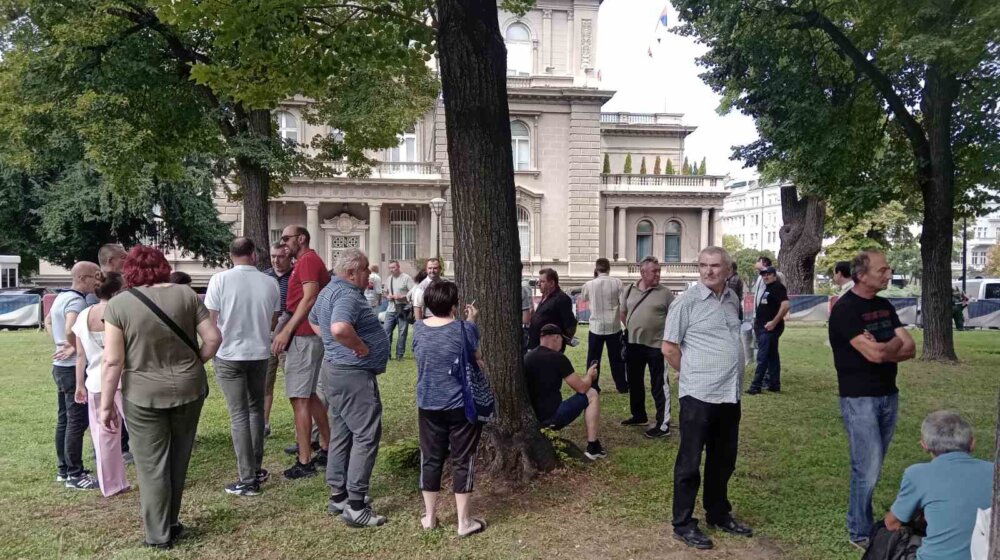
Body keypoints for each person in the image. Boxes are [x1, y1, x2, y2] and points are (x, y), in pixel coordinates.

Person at [100, 245, 222, 549]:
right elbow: (213, 338)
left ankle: (157, 535)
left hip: (143, 393)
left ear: (129, 272)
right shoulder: (186, 295)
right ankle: (171, 521)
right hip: (189, 387)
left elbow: (113, 361)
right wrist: (195, 363)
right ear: (163, 266)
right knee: (178, 459)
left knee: (151, 464)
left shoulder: (118, 305)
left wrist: (105, 407)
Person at [663, 246, 752, 550]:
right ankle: (683, 523)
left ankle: (718, 512)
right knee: (690, 462)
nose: (708, 271)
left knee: (723, 458)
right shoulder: (685, 303)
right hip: (699, 395)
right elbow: (670, 348)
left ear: (728, 269)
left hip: (729, 394)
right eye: (703, 265)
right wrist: (690, 375)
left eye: (715, 266)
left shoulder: (732, 299)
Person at [828, 249, 916, 550]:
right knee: (867, 466)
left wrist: (884, 347)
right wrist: (890, 346)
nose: (888, 274)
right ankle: (859, 530)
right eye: (883, 270)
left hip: (888, 395)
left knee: (873, 464)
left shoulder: (884, 305)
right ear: (861, 275)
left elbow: (911, 347)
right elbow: (877, 354)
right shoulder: (845, 310)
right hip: (859, 398)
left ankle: (862, 522)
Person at [308, 248, 390, 527]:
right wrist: (359, 347)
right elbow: (339, 328)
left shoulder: (328, 290)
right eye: (366, 269)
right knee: (366, 434)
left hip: (335, 371)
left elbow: (314, 321)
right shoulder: (346, 295)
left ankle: (338, 495)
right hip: (353, 374)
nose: (370, 273)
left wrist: (334, 347)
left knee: (342, 431)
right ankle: (356, 505)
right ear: (351, 272)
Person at [205, 237, 281, 496]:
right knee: (255, 410)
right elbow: (273, 320)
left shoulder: (220, 280)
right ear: (254, 255)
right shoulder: (270, 282)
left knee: (239, 415)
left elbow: (211, 320)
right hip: (259, 351)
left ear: (231, 255)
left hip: (229, 353)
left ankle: (247, 478)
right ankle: (255, 468)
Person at [412, 281, 487, 537]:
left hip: (428, 403)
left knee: (431, 457)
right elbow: (476, 356)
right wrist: (472, 320)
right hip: (460, 405)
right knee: (462, 458)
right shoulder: (465, 329)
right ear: (454, 304)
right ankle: (463, 522)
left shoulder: (418, 329)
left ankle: (430, 516)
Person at [883, 411, 992, 560]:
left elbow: (892, 524)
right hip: (988, 554)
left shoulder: (917, 474)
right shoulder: (994, 471)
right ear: (972, 443)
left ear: (924, 445)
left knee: (883, 534)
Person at [271, 225, 331, 480]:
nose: (283, 243)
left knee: (299, 398)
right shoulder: (307, 261)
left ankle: (305, 460)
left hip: (305, 336)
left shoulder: (307, 261)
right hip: (308, 335)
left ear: (301, 239)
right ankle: (328, 448)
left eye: (286, 238)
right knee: (309, 395)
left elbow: (309, 298)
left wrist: (286, 331)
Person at [72, 271, 130, 497]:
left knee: (103, 435)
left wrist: (79, 384)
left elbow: (80, 355)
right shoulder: (120, 312)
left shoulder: (83, 314)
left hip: (95, 381)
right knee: (139, 431)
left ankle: (112, 484)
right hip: (123, 379)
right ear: (117, 291)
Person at [51, 261, 101, 490]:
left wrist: (59, 342)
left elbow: (50, 322)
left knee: (64, 420)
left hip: (59, 367)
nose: (97, 281)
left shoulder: (60, 297)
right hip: (72, 368)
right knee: (76, 422)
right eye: (95, 277)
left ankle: (64, 470)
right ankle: (75, 474)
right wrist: (73, 346)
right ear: (82, 278)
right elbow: (72, 328)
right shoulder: (77, 300)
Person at [524, 324, 606, 460]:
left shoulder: (527, 357)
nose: (562, 346)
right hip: (553, 417)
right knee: (592, 393)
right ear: (556, 337)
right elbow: (582, 388)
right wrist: (589, 376)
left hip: (532, 419)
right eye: (562, 341)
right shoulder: (558, 358)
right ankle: (593, 446)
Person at [620, 256, 675, 438]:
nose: (658, 274)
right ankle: (639, 415)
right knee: (634, 382)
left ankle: (663, 424)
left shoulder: (665, 294)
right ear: (643, 272)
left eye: (659, 270)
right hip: (634, 344)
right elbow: (623, 313)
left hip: (657, 346)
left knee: (659, 384)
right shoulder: (628, 290)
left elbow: (675, 319)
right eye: (654, 271)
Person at [580, 258, 626, 393]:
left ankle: (593, 384)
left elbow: (584, 298)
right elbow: (622, 303)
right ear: (609, 268)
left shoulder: (589, 284)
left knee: (593, 358)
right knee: (617, 358)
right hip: (613, 325)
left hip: (596, 326)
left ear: (596, 268)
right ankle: (621, 385)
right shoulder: (617, 283)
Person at [746, 266, 789, 395]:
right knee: (772, 356)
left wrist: (774, 322)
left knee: (762, 357)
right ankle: (774, 384)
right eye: (763, 274)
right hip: (762, 327)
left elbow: (786, 305)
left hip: (769, 329)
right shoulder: (768, 288)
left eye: (768, 274)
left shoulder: (778, 287)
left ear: (775, 275)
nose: (765, 276)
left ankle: (756, 385)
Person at [264, 242, 293, 436]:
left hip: (291, 336)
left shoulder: (296, 276)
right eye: (273, 256)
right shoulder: (264, 277)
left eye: (280, 256)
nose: (276, 260)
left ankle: (304, 424)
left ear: (289, 257)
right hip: (268, 335)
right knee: (265, 382)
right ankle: (264, 424)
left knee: (294, 383)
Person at [526, 268, 576, 351]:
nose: (538, 284)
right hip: (536, 345)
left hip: (550, 347)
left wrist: (558, 341)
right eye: (539, 281)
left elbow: (570, 325)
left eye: (542, 281)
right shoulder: (545, 296)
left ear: (552, 283)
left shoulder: (562, 299)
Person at [382, 260, 415, 360]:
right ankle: (387, 355)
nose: (392, 270)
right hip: (391, 310)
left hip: (402, 309)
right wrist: (388, 296)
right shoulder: (389, 279)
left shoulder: (406, 278)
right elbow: (385, 292)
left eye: (393, 267)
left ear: (398, 267)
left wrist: (402, 297)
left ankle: (400, 355)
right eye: (390, 268)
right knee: (386, 332)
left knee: (402, 333)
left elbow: (413, 292)